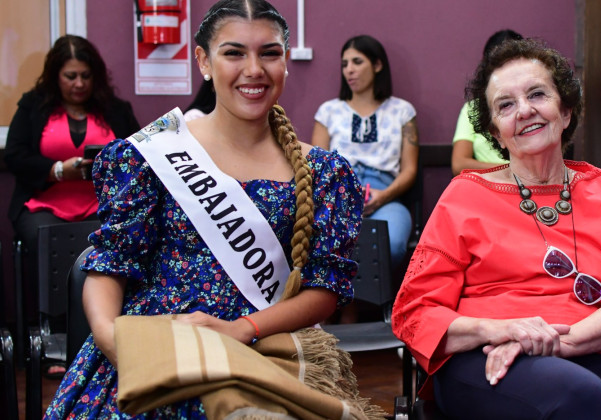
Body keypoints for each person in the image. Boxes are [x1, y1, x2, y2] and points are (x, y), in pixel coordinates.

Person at [44, 0, 367, 417]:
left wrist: (239, 331)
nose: (254, 69)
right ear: (204, 61)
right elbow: (111, 264)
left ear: (285, 62)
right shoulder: (151, 156)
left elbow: (323, 293)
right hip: (157, 342)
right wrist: (116, 344)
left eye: (269, 53)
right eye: (234, 53)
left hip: (264, 346)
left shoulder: (325, 172)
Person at [392, 39, 601, 419]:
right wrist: (501, 332)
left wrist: (553, 343)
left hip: (599, 355)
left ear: (566, 109)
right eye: (505, 105)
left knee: (599, 401)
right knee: (582, 399)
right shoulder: (464, 196)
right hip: (488, 360)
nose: (524, 111)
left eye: (537, 94)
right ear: (495, 131)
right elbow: (415, 311)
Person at [4, 34, 139, 377]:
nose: (79, 84)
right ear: (55, 76)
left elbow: (139, 155)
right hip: (44, 204)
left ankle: (103, 337)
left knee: (111, 244)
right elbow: (16, 155)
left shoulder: (115, 110)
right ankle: (53, 342)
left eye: (85, 76)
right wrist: (56, 170)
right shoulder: (32, 107)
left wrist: (107, 167)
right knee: (45, 239)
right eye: (70, 76)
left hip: (100, 207)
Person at [311, 34, 418, 269]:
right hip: (338, 196)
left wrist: (385, 195)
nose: (349, 70)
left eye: (357, 62)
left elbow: (409, 170)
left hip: (386, 195)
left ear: (377, 65)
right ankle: (346, 306)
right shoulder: (328, 111)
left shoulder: (402, 111)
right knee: (326, 244)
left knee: (391, 244)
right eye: (344, 64)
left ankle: (373, 304)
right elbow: (316, 169)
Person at [450, 29, 522, 176]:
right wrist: (511, 173)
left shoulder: (533, 106)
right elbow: (459, 164)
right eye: (500, 65)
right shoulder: (473, 109)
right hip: (487, 185)